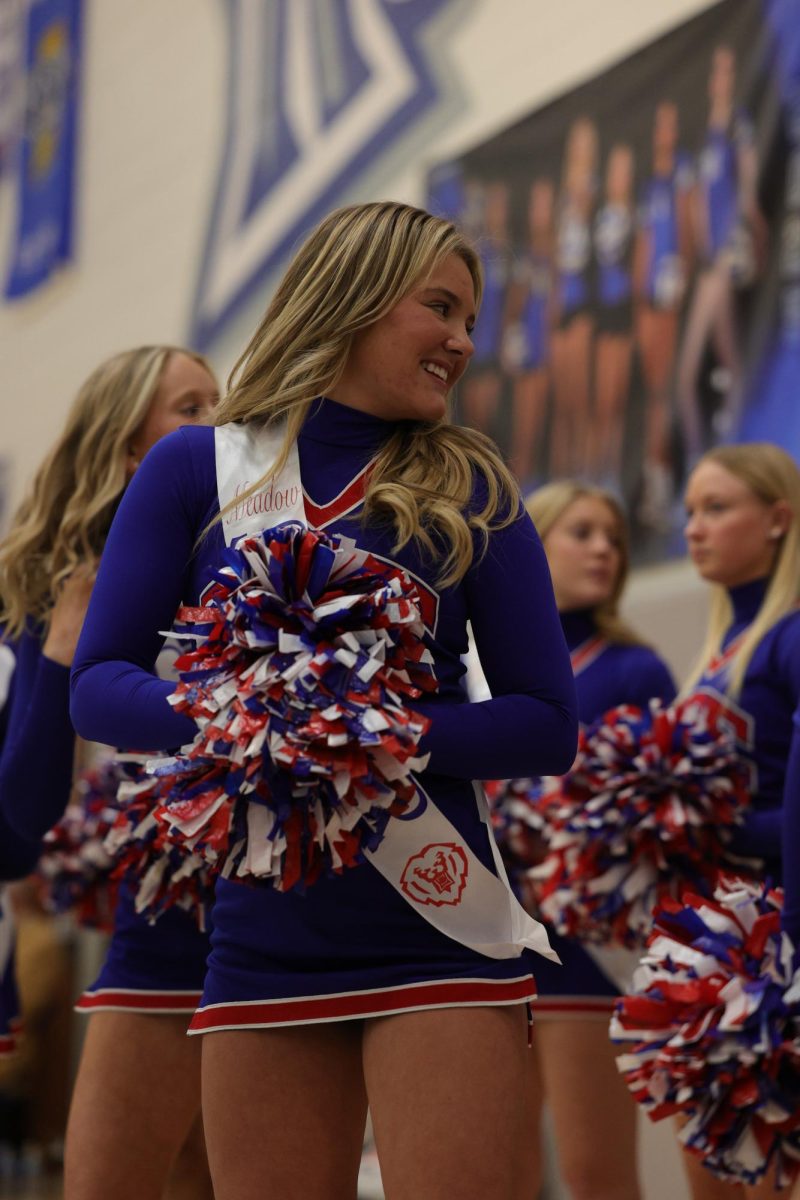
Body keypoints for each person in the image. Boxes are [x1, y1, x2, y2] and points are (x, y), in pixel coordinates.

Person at [70, 200, 579, 1200]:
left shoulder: (473, 483)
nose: (462, 343)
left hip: (435, 926)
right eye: (439, 308)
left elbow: (544, 723)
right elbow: (97, 685)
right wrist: (252, 726)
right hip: (263, 933)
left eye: (469, 320)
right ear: (355, 296)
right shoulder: (195, 468)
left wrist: (370, 734)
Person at [0, 345, 218, 1200]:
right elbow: (20, 823)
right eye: (191, 410)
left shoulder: (257, 566)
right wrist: (61, 650)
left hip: (274, 925)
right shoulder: (51, 591)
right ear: (131, 448)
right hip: (156, 932)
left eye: (222, 409)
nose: (218, 428)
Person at [521, 481, 675, 1200]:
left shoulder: (635, 669)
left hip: (589, 953)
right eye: (581, 533)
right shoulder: (486, 668)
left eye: (613, 537)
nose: (605, 550)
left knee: (595, 1176)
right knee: (490, 1176)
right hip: (490, 949)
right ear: (534, 544)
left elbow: (664, 821)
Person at [677, 442, 800, 1200]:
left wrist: (709, 831)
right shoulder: (720, 646)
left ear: (778, 519)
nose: (693, 528)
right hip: (717, 936)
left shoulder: (790, 637)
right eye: (690, 511)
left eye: (716, 509)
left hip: (776, 940)